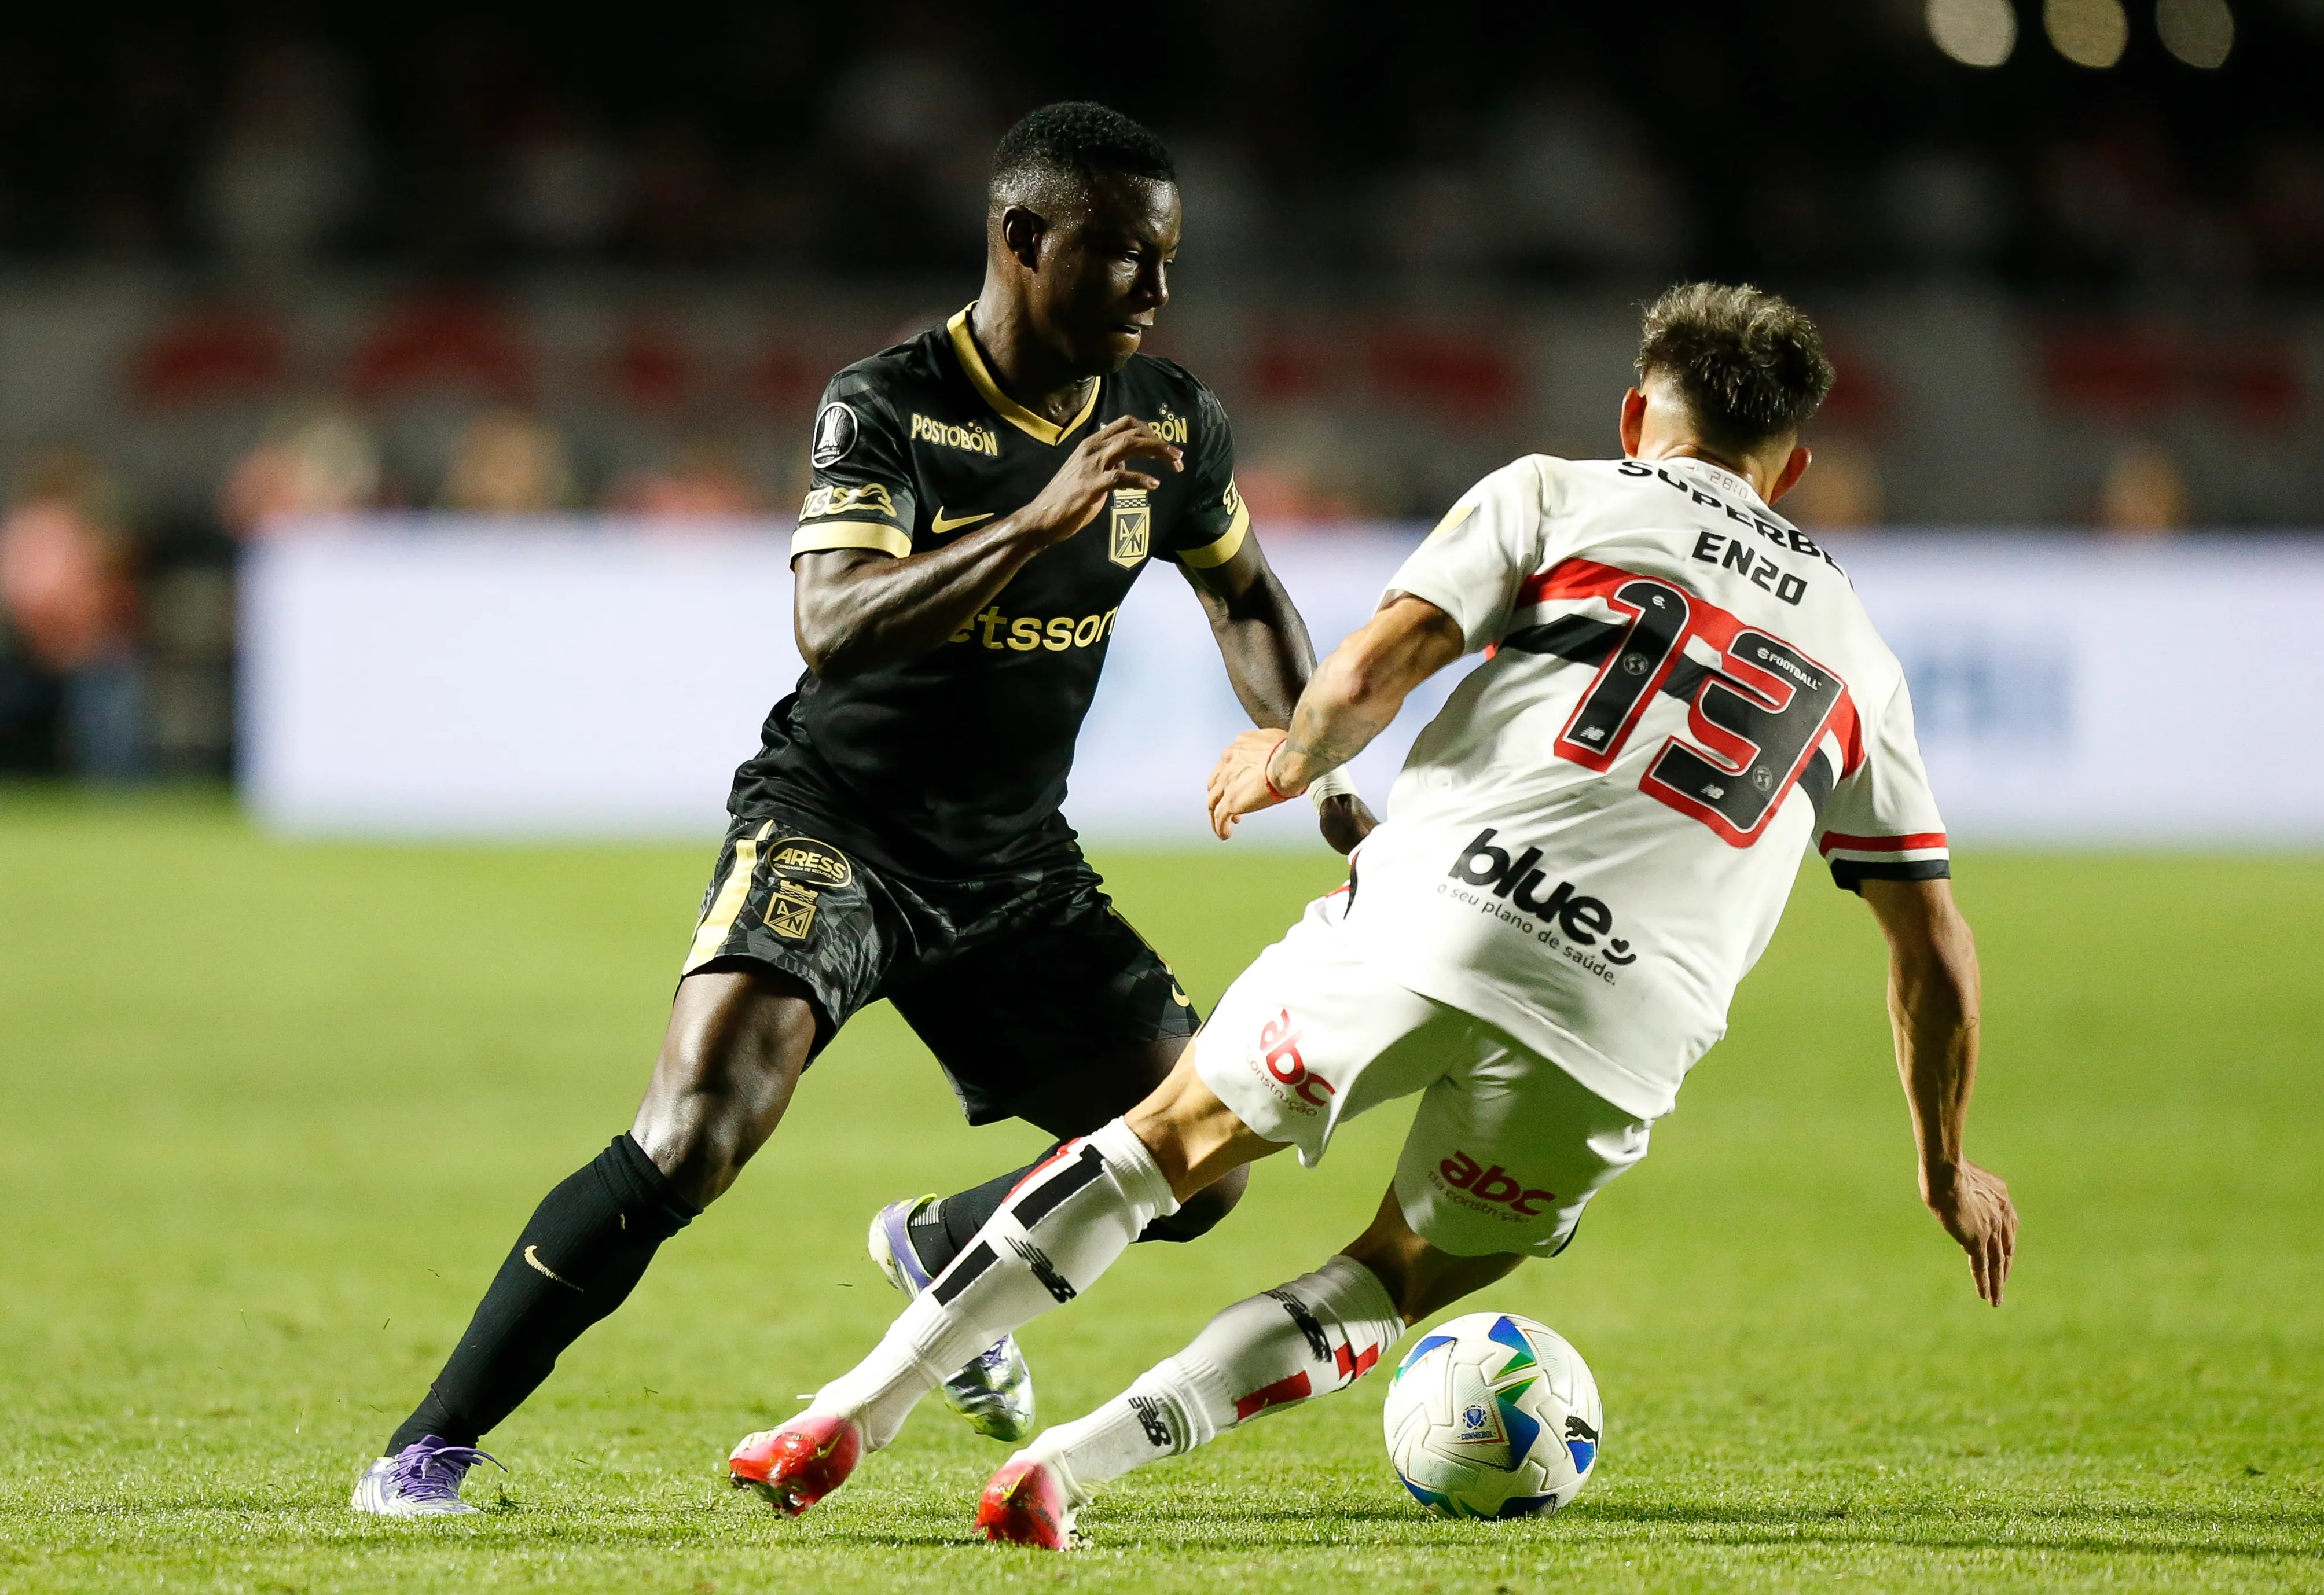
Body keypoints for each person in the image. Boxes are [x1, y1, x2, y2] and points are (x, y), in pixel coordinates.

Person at [721, 283, 2020, 1545]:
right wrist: (1943, 1161)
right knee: (1400, 1272)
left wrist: (1292, 758)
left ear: (1638, 419)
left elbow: (1378, 662)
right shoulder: (1861, 651)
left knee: (1165, 1141)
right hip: (1622, 1026)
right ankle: (1075, 1465)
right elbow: (1935, 953)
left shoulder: (1560, 494)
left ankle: (850, 1407)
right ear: (1788, 473)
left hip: (1439, 910)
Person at [353, 101, 1370, 1517]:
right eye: (1128, 257)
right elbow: (831, 622)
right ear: (1024, 239)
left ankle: (949, 1240)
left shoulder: (1169, 419)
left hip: (1014, 863)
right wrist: (1033, 522)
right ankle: (425, 1448)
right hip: (840, 829)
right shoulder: (888, 402)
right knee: (693, 1135)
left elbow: (1245, 589)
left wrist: (1307, 750)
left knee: (1196, 1168)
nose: (1158, 290)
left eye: (1168, 261)